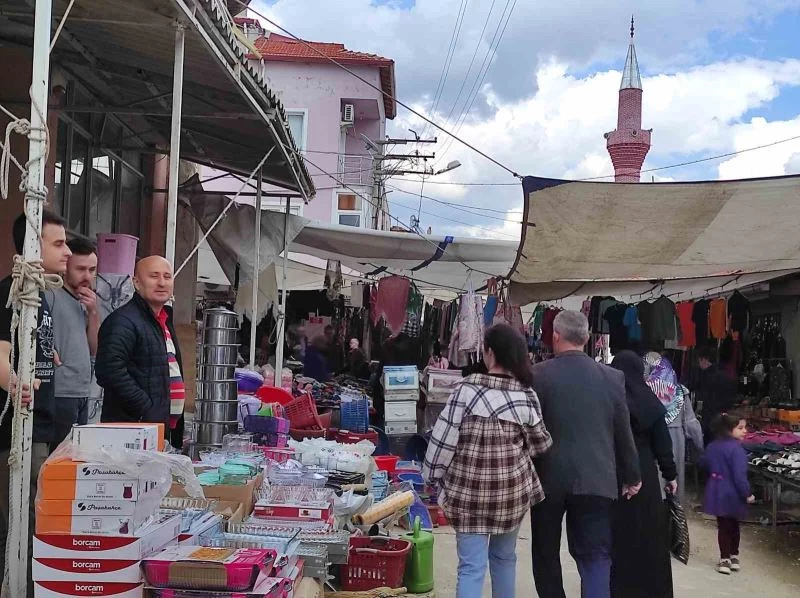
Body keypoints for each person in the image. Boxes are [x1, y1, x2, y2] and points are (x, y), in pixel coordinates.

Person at [423, 324, 552, 598]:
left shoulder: (465, 391)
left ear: (489, 353)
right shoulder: (526, 396)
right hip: (510, 496)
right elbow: (541, 445)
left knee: (471, 567)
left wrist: (431, 476)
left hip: (467, 496)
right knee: (504, 559)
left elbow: (442, 443)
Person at [529, 311, 641, 598]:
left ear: (555, 336)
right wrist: (632, 475)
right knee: (595, 556)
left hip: (547, 480)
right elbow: (622, 430)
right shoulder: (612, 377)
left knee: (545, 553)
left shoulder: (537, 374)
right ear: (587, 338)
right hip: (597, 478)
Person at [0, 210, 70, 595]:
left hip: (43, 424)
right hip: (16, 429)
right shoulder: (12, 293)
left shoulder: (41, 296)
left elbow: (32, 350)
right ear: (32, 246)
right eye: (57, 244)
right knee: (20, 522)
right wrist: (15, 384)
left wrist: (48, 354)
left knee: (36, 518)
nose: (67, 252)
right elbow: (0, 353)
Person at [95, 256, 185, 449]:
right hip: (132, 430)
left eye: (167, 277)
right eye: (154, 276)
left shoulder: (163, 320)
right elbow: (109, 371)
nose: (162, 282)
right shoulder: (123, 321)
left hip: (157, 427)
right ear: (136, 282)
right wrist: (147, 407)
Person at [610, 351, 678, 598]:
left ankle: (617, 588)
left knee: (616, 535)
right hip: (645, 475)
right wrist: (670, 475)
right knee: (647, 535)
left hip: (614, 474)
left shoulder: (610, 400)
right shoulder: (651, 403)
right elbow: (663, 444)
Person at [47, 238, 101, 450]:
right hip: (59, 390)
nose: (87, 276)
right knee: (58, 456)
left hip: (82, 390)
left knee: (75, 456)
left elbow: (95, 349)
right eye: (80, 269)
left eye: (92, 270)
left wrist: (94, 312)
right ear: (66, 267)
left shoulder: (87, 302)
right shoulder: (50, 294)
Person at [645, 352, 704, 504]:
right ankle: (672, 515)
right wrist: (700, 448)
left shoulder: (643, 391)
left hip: (649, 439)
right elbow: (691, 424)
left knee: (653, 479)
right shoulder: (679, 391)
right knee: (673, 479)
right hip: (675, 439)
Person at [702, 414, 755, 575]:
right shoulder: (737, 450)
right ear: (728, 429)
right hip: (733, 491)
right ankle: (734, 556)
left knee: (723, 526)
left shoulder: (712, 446)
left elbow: (703, 463)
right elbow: (740, 477)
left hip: (716, 489)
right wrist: (747, 494)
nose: (745, 431)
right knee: (734, 525)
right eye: (740, 428)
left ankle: (724, 559)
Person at [696, 347, 736, 445]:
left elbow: (706, 398)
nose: (699, 365)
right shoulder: (723, 375)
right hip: (721, 415)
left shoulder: (706, 376)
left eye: (699, 361)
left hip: (710, 417)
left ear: (703, 359)